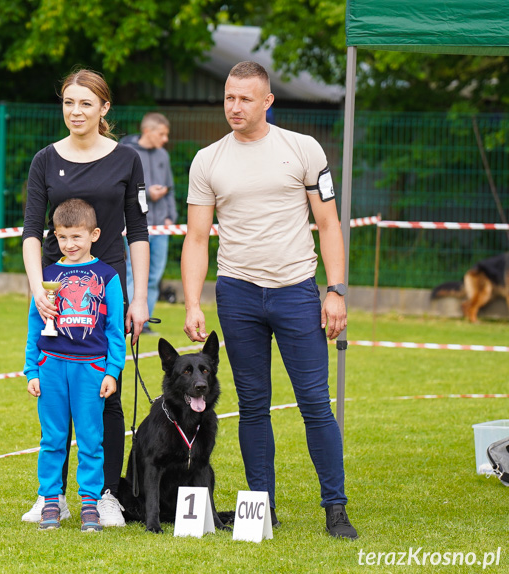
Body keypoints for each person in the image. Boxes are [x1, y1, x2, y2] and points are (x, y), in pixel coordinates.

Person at [181, 61, 358, 539]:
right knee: (253, 404)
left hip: (297, 291)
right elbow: (197, 237)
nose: (234, 107)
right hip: (237, 293)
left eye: (244, 98)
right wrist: (194, 302)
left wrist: (335, 290)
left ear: (267, 102)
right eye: (228, 97)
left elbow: (328, 225)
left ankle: (335, 508)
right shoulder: (207, 159)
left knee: (315, 405)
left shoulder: (302, 149)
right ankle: (263, 509)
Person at [21, 68, 149, 527]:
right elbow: (31, 233)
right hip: (54, 292)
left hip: (106, 288)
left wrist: (138, 298)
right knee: (55, 395)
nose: (76, 112)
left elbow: (138, 231)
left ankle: (107, 495)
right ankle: (49, 497)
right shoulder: (43, 160)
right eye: (69, 102)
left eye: (85, 104)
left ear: (104, 108)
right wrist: (38, 290)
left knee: (105, 396)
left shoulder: (128, 159)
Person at [24, 198, 126, 531]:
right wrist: (32, 369)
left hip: (91, 369)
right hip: (52, 366)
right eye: (63, 237)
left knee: (90, 439)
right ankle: (51, 502)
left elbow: (115, 331)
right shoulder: (47, 276)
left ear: (94, 234)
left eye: (77, 237)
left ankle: (90, 505)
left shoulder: (107, 276)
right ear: (55, 236)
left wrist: (112, 371)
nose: (70, 245)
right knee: (52, 438)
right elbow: (34, 327)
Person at [121, 112, 177, 333]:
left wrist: (170, 217)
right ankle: (128, 319)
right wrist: (147, 196)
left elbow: (170, 188)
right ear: (147, 131)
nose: (165, 139)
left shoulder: (163, 155)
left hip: (161, 227)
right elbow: (124, 191)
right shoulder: (127, 153)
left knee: (154, 276)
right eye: (162, 134)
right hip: (136, 226)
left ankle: (144, 323)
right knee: (133, 273)